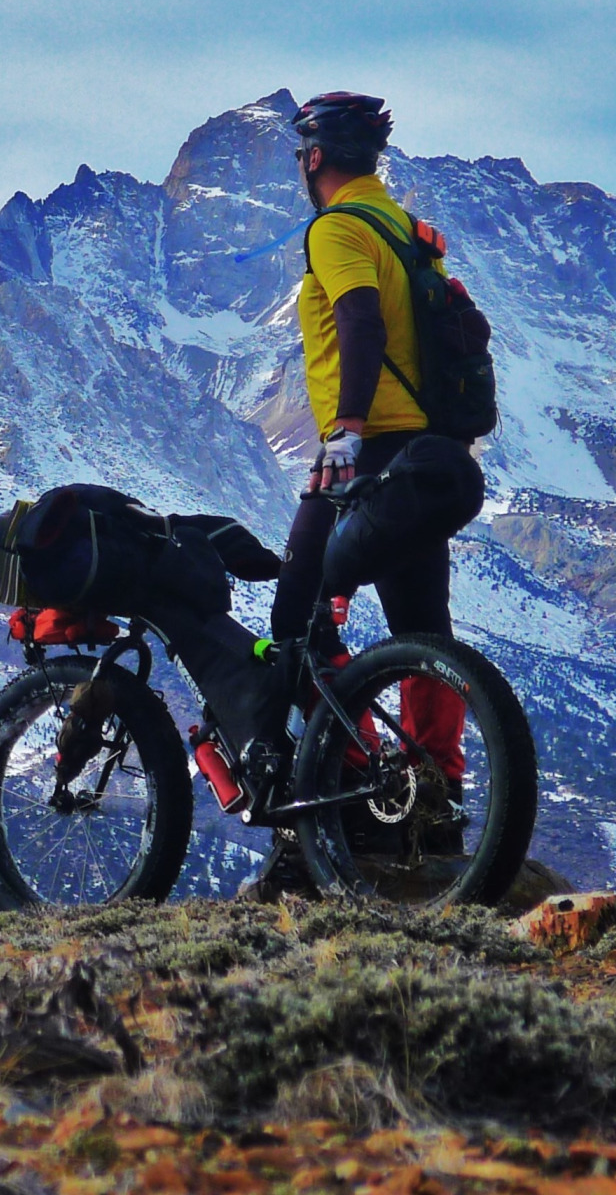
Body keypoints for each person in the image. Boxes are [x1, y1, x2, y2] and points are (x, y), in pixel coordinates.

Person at [243, 91, 468, 897]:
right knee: (422, 631)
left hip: (367, 451)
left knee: (294, 620)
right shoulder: (409, 232)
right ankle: (433, 794)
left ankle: (347, 783)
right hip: (422, 453)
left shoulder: (337, 229)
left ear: (312, 159)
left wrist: (343, 430)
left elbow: (361, 323)